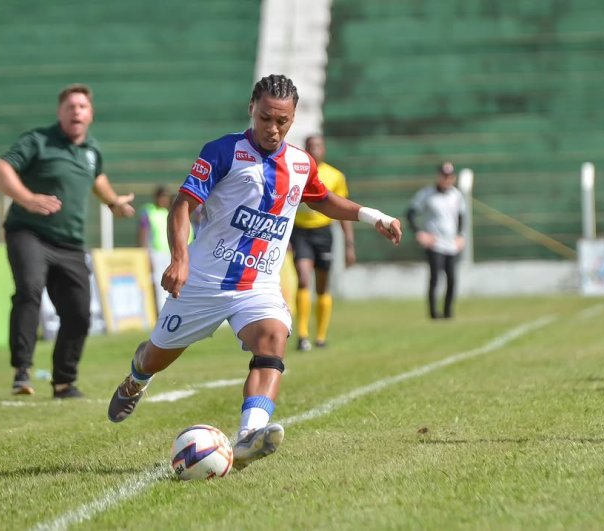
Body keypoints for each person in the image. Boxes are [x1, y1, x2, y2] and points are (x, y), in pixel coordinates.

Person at [106, 74, 402, 471]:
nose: (273, 128)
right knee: (155, 356)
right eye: (266, 118)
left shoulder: (299, 163)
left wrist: (373, 216)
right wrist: (179, 258)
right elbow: (182, 205)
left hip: (258, 285)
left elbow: (324, 200)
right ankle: (137, 378)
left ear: (293, 119)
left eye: (283, 121)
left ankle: (249, 434)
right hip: (204, 283)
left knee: (274, 337)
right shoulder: (223, 151)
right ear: (252, 108)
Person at [0, 83, 135, 398]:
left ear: (90, 114)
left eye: (82, 107)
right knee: (29, 291)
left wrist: (113, 202)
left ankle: (64, 381)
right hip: (29, 233)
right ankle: (22, 372)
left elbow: (97, 177)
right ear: (60, 113)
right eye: (70, 107)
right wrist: (27, 198)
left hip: (69, 244)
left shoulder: (92, 151)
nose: (76, 111)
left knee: (80, 313)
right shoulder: (38, 141)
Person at [289, 135, 355, 351]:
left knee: (322, 286)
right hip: (300, 232)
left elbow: (343, 210)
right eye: (310, 147)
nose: (314, 150)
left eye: (317, 147)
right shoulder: (295, 171)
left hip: (323, 232)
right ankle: (302, 335)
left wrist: (349, 244)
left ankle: (321, 336)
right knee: (303, 279)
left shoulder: (335, 176)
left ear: (324, 150)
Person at [406, 161, 466, 320]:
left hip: (451, 243)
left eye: (449, 176)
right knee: (435, 278)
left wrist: (460, 235)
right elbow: (411, 213)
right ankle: (433, 313)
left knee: (451, 278)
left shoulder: (456, 195)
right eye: (444, 176)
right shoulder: (427, 193)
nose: (446, 179)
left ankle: (448, 312)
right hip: (435, 243)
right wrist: (420, 233)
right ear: (439, 176)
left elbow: (461, 217)